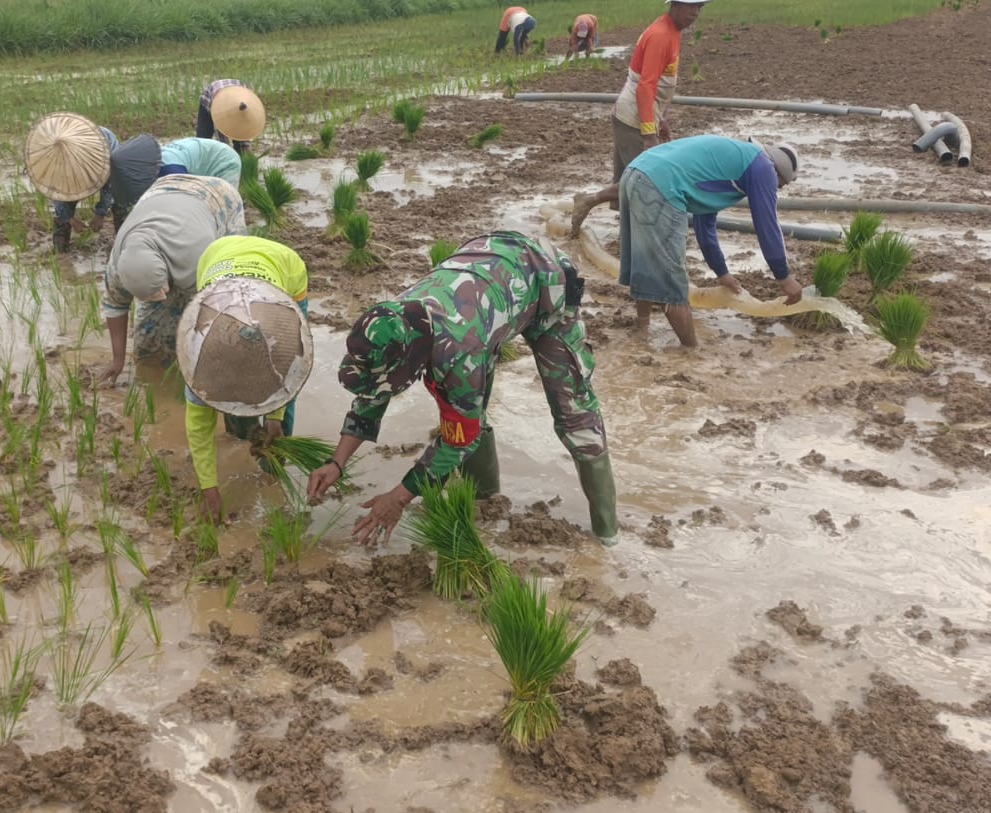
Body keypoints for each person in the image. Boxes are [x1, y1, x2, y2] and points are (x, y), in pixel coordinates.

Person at [305, 231, 618, 547]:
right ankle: (485, 499)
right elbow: (374, 393)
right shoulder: (391, 320)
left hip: (546, 282)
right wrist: (336, 463)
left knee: (573, 412)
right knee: (470, 411)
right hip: (487, 279)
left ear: (414, 361)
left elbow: (458, 440)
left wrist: (398, 498)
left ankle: (608, 533)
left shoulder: (459, 351)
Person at [617, 135, 803, 348]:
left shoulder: (736, 163)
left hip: (635, 173)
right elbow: (766, 223)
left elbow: (704, 226)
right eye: (782, 183)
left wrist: (722, 273)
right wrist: (783, 276)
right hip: (658, 184)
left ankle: (642, 330)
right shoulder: (763, 168)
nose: (779, 188)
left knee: (647, 264)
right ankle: (692, 353)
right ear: (778, 170)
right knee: (672, 281)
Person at [181, 236, 313, 522]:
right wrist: (209, 489)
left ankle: (273, 465)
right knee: (234, 404)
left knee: (281, 394)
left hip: (284, 266)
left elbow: (287, 375)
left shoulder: (282, 336)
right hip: (216, 255)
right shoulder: (198, 362)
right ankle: (242, 431)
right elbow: (199, 430)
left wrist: (276, 416)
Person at [566, 0, 709, 233]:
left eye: (699, 7)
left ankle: (626, 230)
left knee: (630, 180)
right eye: (690, 6)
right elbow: (646, 86)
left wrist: (661, 120)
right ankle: (590, 201)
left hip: (637, 114)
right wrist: (649, 133)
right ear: (673, 5)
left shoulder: (672, 31)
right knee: (644, 181)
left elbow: (659, 84)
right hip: (633, 118)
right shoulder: (661, 35)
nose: (695, 13)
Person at [100, 175, 247, 387]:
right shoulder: (117, 268)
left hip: (216, 198)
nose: (160, 298)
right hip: (159, 194)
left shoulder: (199, 259)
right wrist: (117, 360)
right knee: (149, 342)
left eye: (160, 291)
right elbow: (114, 306)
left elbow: (219, 310)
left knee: (210, 308)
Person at [102, 135, 243, 213]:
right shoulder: (151, 163)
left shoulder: (171, 171)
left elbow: (186, 202)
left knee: (222, 207)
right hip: (200, 157)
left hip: (222, 160)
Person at [48, 125, 123, 254]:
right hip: (71, 165)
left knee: (120, 200)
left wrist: (101, 213)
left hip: (109, 159)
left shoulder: (105, 147)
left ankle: (124, 245)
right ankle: (60, 253)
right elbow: (56, 191)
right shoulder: (57, 158)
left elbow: (110, 184)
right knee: (65, 202)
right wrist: (70, 218)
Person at [196, 80, 266, 155]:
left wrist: (247, 151)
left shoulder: (249, 106)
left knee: (240, 140)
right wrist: (227, 155)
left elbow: (246, 134)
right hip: (211, 96)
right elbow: (221, 139)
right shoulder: (221, 113)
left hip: (235, 89)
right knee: (203, 139)